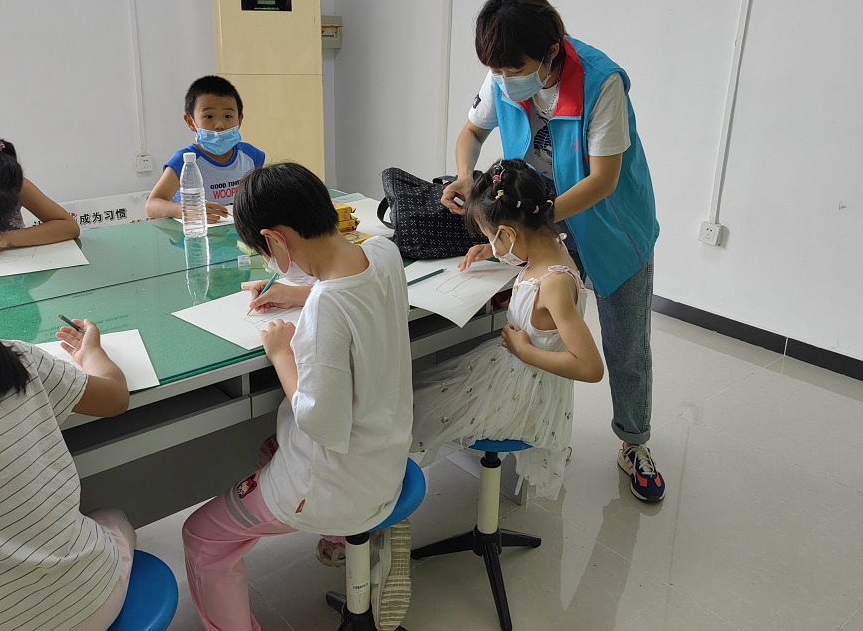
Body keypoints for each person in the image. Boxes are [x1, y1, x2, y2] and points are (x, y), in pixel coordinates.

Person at [440, 0, 665, 502]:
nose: (503, 79)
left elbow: (603, 180)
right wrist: (466, 177)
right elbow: (471, 133)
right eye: (495, 70)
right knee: (543, 327)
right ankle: (539, 426)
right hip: (541, 219)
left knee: (625, 343)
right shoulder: (504, 72)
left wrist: (528, 225)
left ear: (551, 52)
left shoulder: (601, 83)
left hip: (611, 224)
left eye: (514, 69)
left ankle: (634, 443)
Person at [182, 163, 414, 631]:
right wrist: (298, 293)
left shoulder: (327, 307)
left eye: (263, 252)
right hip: (386, 456)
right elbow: (354, 296)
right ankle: (346, 536)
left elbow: (320, 423)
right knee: (270, 447)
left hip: (336, 481)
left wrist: (282, 354)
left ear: (274, 240)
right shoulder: (384, 252)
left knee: (200, 537)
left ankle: (342, 523)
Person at [0, 219, 134, 631]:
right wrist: (91, 351)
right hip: (94, 602)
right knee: (114, 519)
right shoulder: (17, 359)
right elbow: (115, 397)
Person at [413, 159, 604, 498]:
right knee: (424, 389)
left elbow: (591, 367)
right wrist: (494, 252)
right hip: (512, 370)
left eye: (492, 237)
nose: (494, 247)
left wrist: (524, 350)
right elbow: (542, 313)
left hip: (524, 392)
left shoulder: (554, 284)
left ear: (510, 233)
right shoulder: (551, 246)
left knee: (415, 408)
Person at [145, 75, 265, 222]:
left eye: (228, 116)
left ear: (239, 120)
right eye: (209, 116)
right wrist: (191, 211)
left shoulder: (251, 155)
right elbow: (151, 205)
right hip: (196, 233)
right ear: (190, 122)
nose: (220, 125)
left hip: (237, 232)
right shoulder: (184, 161)